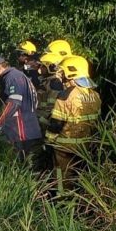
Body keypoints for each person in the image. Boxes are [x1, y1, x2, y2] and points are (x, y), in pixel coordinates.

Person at [45, 55, 101, 189]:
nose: (62, 76)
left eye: (63, 72)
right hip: (86, 145)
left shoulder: (66, 95)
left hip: (64, 147)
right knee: (80, 175)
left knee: (62, 176)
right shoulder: (94, 95)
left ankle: (62, 200)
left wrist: (48, 141)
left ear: (70, 73)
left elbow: (56, 123)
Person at [0, 55, 44, 168]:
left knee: (21, 164)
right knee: (30, 164)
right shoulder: (17, 75)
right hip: (30, 127)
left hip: (21, 130)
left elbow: (14, 103)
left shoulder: (11, 77)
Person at [35, 51, 64, 131]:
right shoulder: (46, 82)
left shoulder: (55, 84)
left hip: (44, 123)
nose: (40, 68)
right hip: (39, 118)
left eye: (43, 66)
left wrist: (38, 119)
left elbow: (51, 110)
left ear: (51, 68)